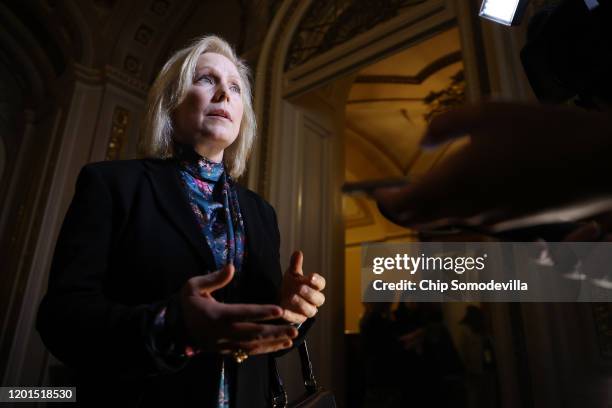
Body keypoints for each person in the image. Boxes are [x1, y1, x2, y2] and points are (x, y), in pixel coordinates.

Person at [36, 35, 326, 408]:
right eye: (206, 79)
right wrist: (172, 326)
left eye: (235, 88)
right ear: (170, 103)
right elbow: (61, 320)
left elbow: (258, 343)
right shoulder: (112, 184)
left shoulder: (261, 213)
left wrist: (288, 311)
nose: (224, 94)